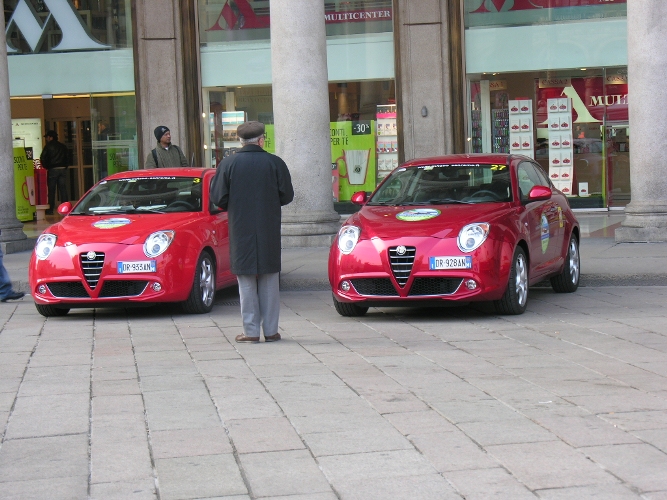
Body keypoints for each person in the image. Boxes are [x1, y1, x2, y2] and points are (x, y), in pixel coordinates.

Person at [210, 121, 294, 343]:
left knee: (245, 279)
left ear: (240, 140)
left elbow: (218, 198)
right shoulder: (275, 162)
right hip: (268, 226)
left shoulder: (228, 164)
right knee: (269, 277)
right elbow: (287, 196)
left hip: (240, 227)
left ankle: (250, 332)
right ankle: (271, 330)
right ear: (261, 140)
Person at [40, 130, 69, 215]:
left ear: (50, 137)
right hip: (62, 168)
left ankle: (50, 209)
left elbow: (42, 157)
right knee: (63, 189)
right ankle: (66, 209)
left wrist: (47, 167)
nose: (46, 139)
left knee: (52, 190)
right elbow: (67, 157)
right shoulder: (62, 146)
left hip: (53, 169)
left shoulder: (48, 146)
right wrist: (65, 166)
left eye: (47, 137)